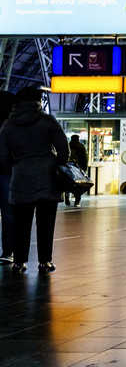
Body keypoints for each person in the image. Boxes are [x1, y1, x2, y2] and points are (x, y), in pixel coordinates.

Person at [0, 86, 69, 273]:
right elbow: (64, 150)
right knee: (46, 222)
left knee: (20, 222)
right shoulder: (47, 121)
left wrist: (17, 165)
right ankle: (45, 261)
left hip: (20, 178)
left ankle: (19, 262)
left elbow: (3, 157)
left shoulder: (7, 125)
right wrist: (55, 161)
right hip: (46, 178)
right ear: (37, 102)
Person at [0, 90, 15, 265]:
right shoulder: (10, 124)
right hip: (6, 171)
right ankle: (8, 251)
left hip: (4, 169)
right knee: (9, 212)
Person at [66, 134, 89, 206]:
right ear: (78, 139)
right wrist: (84, 169)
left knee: (68, 182)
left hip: (69, 167)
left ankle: (67, 193)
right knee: (79, 184)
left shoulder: (68, 146)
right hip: (78, 168)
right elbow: (85, 158)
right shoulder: (81, 146)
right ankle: (77, 201)